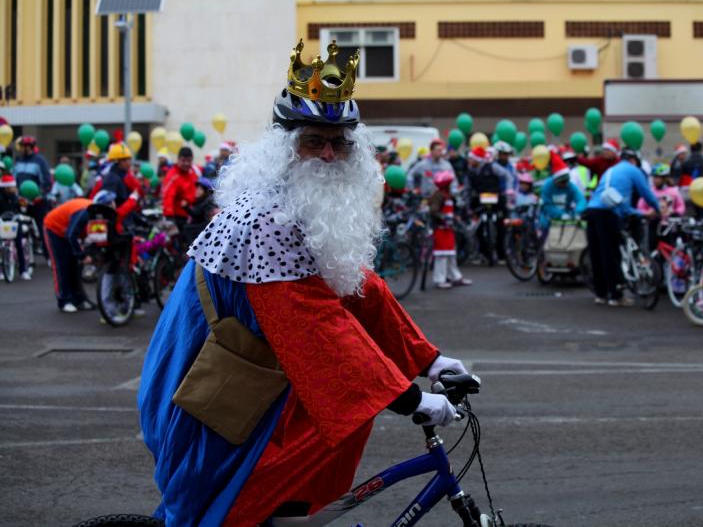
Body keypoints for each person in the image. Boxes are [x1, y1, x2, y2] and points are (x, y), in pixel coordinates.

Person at [138, 39, 469, 526]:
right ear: (285, 145)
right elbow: (315, 327)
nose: (329, 155)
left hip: (267, 369)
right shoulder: (270, 217)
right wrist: (410, 397)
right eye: (315, 140)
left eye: (340, 142)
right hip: (223, 381)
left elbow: (355, 287)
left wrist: (429, 358)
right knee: (226, 505)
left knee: (297, 484)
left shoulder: (300, 205)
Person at [585, 148, 660, 306]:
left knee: (596, 254)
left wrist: (635, 212)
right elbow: (646, 193)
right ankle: (616, 295)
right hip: (608, 213)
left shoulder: (610, 170)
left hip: (592, 210)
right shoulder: (633, 171)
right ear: (634, 160)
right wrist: (657, 209)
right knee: (611, 254)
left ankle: (601, 294)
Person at [41, 193, 110, 312]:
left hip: (69, 232)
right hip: (54, 229)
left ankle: (78, 299)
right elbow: (71, 234)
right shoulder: (84, 212)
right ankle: (64, 300)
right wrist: (82, 255)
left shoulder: (101, 214)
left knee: (74, 265)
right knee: (61, 265)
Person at [428, 170, 472, 289]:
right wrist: (444, 217)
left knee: (451, 254)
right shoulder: (439, 195)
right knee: (441, 256)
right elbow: (434, 211)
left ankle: (455, 276)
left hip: (448, 229)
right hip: (441, 229)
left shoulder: (447, 195)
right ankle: (439, 279)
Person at [12, 136, 52, 251]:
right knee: (18, 225)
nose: (21, 149)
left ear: (29, 147)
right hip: (22, 200)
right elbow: (14, 179)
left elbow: (46, 180)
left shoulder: (40, 161)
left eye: (23, 147)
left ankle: (48, 255)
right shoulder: (18, 161)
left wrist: (41, 193)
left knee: (42, 227)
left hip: (37, 200)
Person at [539, 153, 586, 234]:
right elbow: (547, 205)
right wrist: (561, 215)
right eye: (562, 182)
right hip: (549, 220)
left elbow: (581, 199)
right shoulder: (547, 186)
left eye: (566, 181)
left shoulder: (570, 186)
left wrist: (577, 212)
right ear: (556, 180)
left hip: (567, 219)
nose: (565, 184)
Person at [0, 170, 31, 280]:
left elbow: (22, 210)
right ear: (7, 188)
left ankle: (23, 270)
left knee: (18, 243)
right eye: (13, 186)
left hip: (14, 222)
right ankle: (1, 269)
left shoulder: (16, 198)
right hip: (2, 223)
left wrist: (24, 208)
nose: (15, 188)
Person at [162, 146, 198, 229]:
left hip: (192, 214)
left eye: (189, 161)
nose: (186, 163)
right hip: (178, 216)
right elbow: (168, 196)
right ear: (178, 160)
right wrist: (169, 216)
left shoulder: (192, 172)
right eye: (183, 160)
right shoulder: (172, 175)